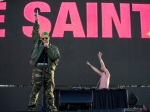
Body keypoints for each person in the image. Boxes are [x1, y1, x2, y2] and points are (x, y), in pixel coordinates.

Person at [27, 11, 60, 112]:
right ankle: (31, 109)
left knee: (49, 91)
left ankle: (52, 109)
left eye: (46, 38)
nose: (44, 40)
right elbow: (35, 32)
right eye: (43, 38)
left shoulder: (53, 48)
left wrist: (48, 48)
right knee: (34, 89)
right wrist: (36, 21)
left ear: (49, 39)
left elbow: (55, 57)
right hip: (38, 69)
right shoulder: (38, 44)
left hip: (48, 70)